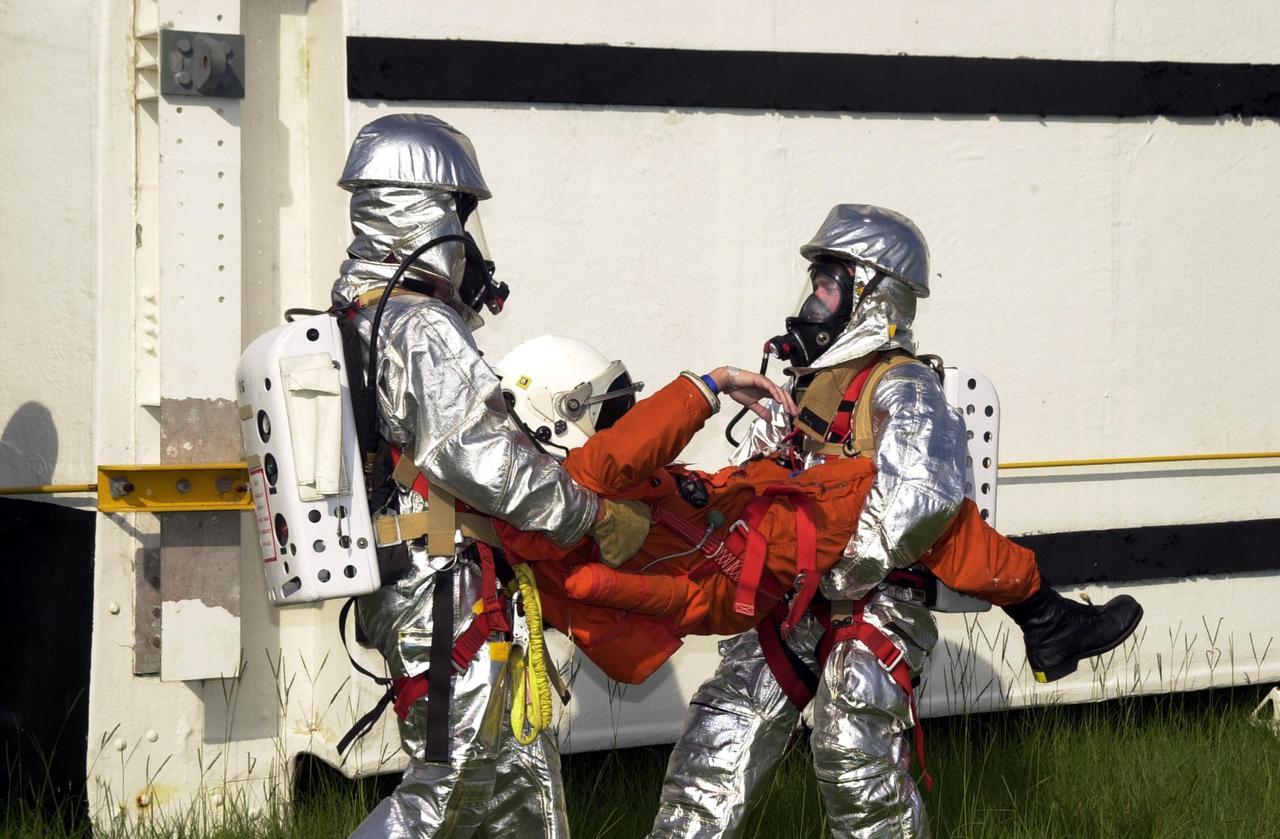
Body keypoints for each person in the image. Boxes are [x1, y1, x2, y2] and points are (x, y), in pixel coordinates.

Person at [639, 204, 1144, 839]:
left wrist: (832, 570)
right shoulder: (808, 389)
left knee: (851, 751)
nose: (813, 303)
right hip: (795, 595)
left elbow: (921, 500)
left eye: (828, 286)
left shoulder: (903, 388)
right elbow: (757, 481)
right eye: (815, 285)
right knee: (717, 734)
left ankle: (1049, 617)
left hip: (875, 599)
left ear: (871, 296)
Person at [334, 114, 649, 839]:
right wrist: (590, 515)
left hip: (426, 576)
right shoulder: (416, 325)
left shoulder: (365, 311)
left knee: (514, 790)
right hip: (440, 584)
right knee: (448, 792)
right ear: (424, 212)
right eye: (459, 216)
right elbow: (482, 458)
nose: (468, 244)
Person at [491, 336, 1045, 687]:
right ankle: (1041, 610)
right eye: (607, 411)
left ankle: (1040, 613)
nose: (616, 422)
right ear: (554, 418)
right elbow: (617, 457)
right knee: (902, 494)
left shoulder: (542, 527)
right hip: (749, 551)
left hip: (732, 561)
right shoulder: (575, 493)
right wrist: (711, 385)